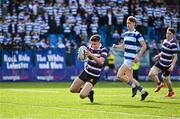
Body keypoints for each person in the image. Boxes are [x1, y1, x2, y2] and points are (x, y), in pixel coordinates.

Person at [112, 16, 148, 101]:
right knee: (130, 78)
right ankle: (143, 92)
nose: (128, 24)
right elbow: (123, 45)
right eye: (127, 23)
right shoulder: (126, 33)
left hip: (131, 59)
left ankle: (133, 87)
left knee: (119, 75)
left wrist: (138, 55)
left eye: (130, 23)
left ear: (134, 24)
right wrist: (116, 46)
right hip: (126, 58)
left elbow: (144, 45)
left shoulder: (137, 34)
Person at [70, 34, 108, 103]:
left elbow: (100, 62)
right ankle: (89, 92)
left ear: (99, 42)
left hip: (94, 76)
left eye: (95, 44)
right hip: (86, 72)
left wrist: (91, 55)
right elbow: (82, 58)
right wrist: (81, 55)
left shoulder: (103, 50)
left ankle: (88, 93)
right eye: (92, 44)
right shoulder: (89, 47)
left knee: (82, 95)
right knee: (72, 90)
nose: (93, 46)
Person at [148, 28, 178, 97]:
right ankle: (159, 84)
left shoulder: (173, 44)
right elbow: (163, 51)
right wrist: (159, 55)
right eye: (167, 33)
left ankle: (171, 91)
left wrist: (172, 66)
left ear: (173, 35)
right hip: (160, 63)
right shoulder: (164, 41)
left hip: (167, 65)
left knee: (166, 79)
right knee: (151, 74)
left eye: (169, 34)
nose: (167, 35)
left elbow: (175, 57)